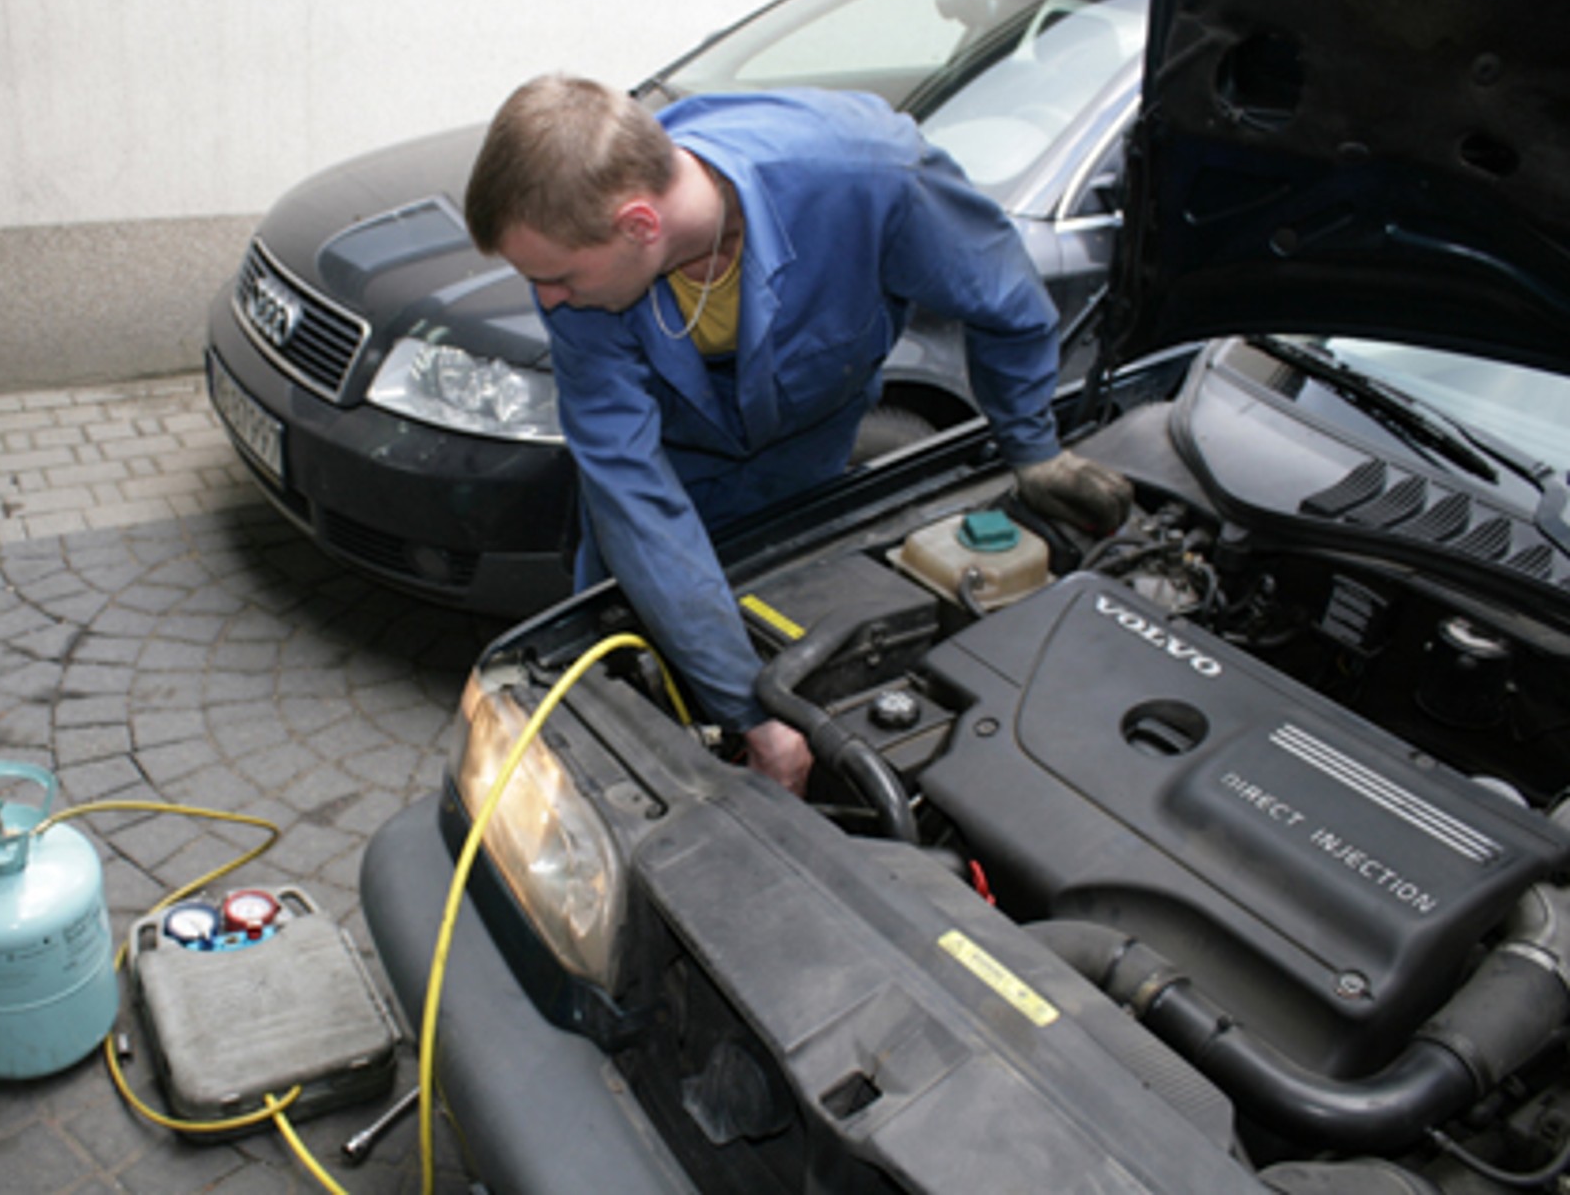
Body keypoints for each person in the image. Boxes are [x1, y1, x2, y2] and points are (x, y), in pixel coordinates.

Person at [464, 75, 1130, 795]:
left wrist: (1033, 449)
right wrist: (753, 711)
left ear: (640, 225)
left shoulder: (872, 180)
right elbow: (632, 493)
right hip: (655, 517)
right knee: (616, 715)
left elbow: (1006, 302)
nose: (548, 299)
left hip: (802, 490)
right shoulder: (580, 278)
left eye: (559, 277)